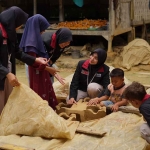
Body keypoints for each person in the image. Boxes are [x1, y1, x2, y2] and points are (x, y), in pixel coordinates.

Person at [0, 6, 49, 114]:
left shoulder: (10, 33)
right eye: (20, 23)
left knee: (7, 106)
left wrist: (35, 60)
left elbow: (17, 52)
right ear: (14, 21)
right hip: (4, 73)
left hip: (7, 73)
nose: (21, 26)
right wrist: (7, 73)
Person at [19, 14, 58, 110]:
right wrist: (48, 68)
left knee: (44, 90)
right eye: (42, 28)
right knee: (39, 92)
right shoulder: (31, 42)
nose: (44, 31)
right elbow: (34, 62)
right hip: (37, 71)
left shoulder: (36, 39)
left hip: (42, 70)